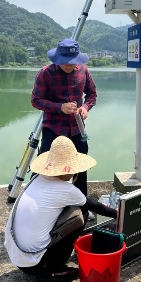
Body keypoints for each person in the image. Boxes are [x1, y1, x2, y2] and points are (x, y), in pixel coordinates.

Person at [4, 136, 117, 281]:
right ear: (66, 171)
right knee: (77, 216)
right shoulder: (66, 189)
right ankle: (53, 269)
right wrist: (116, 213)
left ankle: (49, 263)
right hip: (35, 264)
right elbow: (95, 206)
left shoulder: (36, 179)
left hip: (17, 256)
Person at [31, 38, 97, 197]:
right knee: (44, 167)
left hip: (77, 129)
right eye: (66, 62)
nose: (69, 65)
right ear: (57, 59)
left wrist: (85, 107)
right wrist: (60, 107)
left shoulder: (83, 71)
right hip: (53, 129)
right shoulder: (45, 73)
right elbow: (35, 100)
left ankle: (81, 207)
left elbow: (92, 94)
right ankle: (37, 202)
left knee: (80, 169)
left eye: (73, 62)